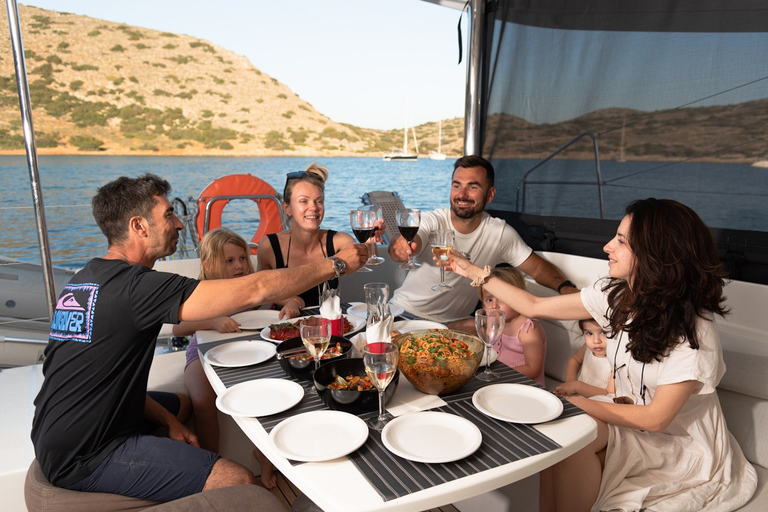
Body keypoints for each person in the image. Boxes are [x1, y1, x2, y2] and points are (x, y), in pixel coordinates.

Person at [31, 173, 367, 503]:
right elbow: (257, 289)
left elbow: (97, 379)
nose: (179, 224)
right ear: (138, 226)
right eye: (168, 214)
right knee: (239, 481)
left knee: (184, 405)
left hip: (56, 431)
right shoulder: (136, 288)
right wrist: (335, 264)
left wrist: (168, 421)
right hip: (87, 454)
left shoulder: (86, 277)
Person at [444, 198, 757, 512]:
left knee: (574, 441)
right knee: (559, 438)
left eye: (621, 241)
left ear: (655, 253)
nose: (608, 247)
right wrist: (471, 269)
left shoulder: (693, 330)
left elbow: (657, 419)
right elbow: (534, 306)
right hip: (629, 418)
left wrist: (582, 403)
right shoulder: (615, 295)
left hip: (679, 441)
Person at [388, 155, 577, 326]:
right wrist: (401, 248)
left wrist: (565, 288)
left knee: (483, 330)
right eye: (456, 185)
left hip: (453, 325)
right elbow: (407, 242)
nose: (462, 194)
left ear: (490, 194)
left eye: (472, 187)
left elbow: (537, 268)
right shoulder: (433, 220)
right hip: (404, 314)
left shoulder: (500, 233)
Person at [172, 227, 275, 489]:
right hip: (203, 353)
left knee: (272, 388)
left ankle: (265, 456)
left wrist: (292, 303)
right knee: (202, 400)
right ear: (209, 265)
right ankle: (212, 466)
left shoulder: (251, 286)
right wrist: (213, 321)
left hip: (249, 351)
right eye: (229, 261)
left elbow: (285, 294)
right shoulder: (202, 291)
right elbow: (178, 328)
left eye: (242, 258)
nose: (239, 265)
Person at [257, 163, 358, 316]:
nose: (314, 207)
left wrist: (370, 242)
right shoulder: (269, 246)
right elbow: (263, 290)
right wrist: (293, 301)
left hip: (329, 328)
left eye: (319, 201)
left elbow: (358, 253)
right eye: (304, 201)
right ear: (287, 208)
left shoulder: (338, 240)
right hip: (286, 327)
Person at [478, 266, 547, 385]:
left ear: (518, 298)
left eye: (502, 299)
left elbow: (533, 369)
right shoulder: (492, 321)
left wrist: (499, 375)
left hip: (524, 386)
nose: (494, 306)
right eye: (489, 300)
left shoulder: (528, 328)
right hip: (499, 381)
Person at [555, 319, 613, 398]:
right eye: (589, 333)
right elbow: (574, 360)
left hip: (599, 404)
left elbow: (608, 394)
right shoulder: (587, 348)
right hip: (578, 397)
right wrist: (570, 382)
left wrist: (576, 386)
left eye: (603, 332)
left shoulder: (617, 360)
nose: (596, 341)